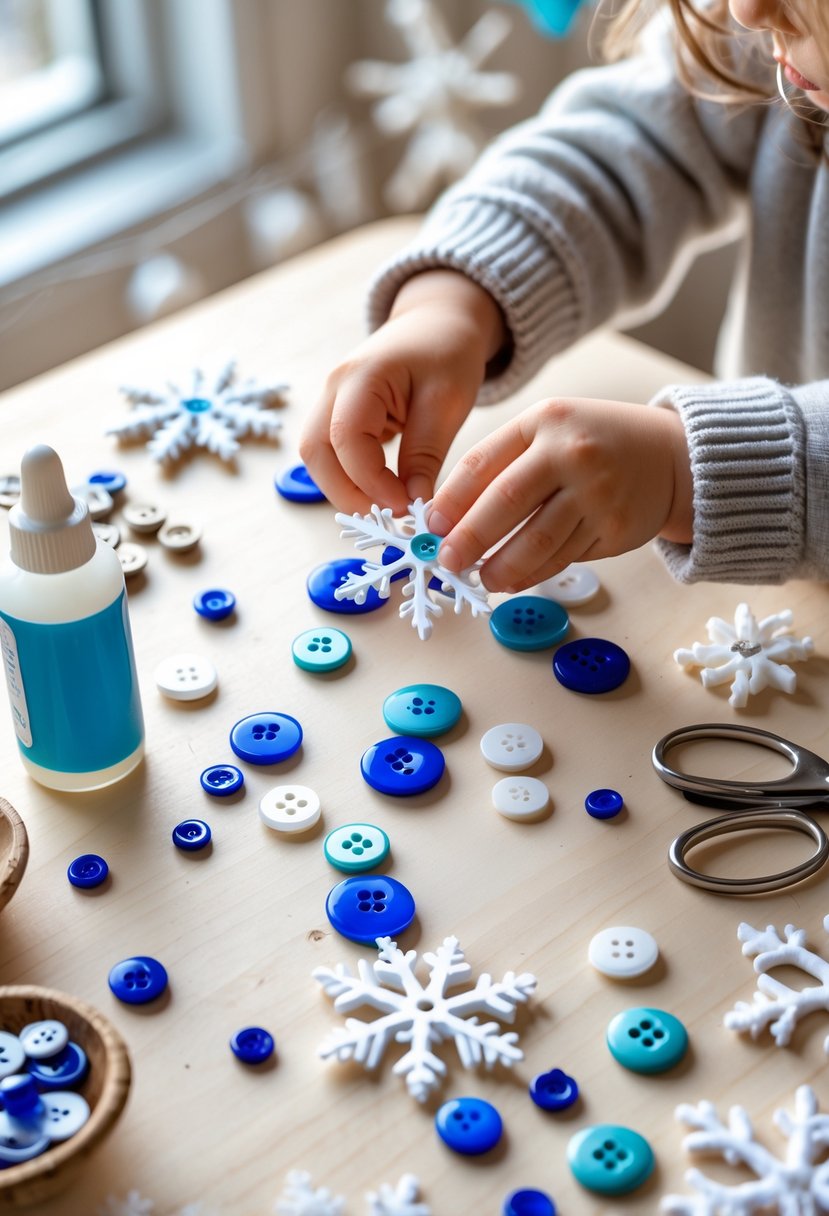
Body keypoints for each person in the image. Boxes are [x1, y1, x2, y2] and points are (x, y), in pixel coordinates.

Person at [300, 0, 829, 593]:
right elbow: (632, 150)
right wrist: (452, 302)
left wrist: (695, 473)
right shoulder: (781, 34)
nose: (748, 10)